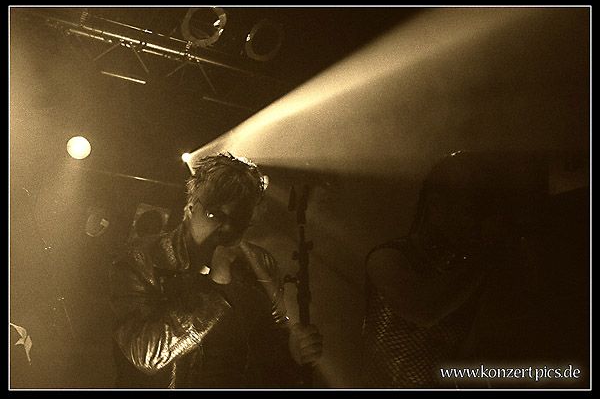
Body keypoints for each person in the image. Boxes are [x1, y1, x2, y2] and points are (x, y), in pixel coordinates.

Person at [109, 152, 323, 389]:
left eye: (239, 219)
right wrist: (216, 289)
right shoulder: (142, 258)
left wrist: (292, 353)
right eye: (214, 214)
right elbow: (146, 354)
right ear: (190, 207)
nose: (227, 227)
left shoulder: (259, 264)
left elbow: (268, 341)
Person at [361, 151, 510, 388]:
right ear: (435, 204)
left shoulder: (468, 270)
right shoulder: (387, 257)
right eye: (468, 208)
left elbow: (470, 352)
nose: (475, 221)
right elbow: (423, 310)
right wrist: (487, 253)